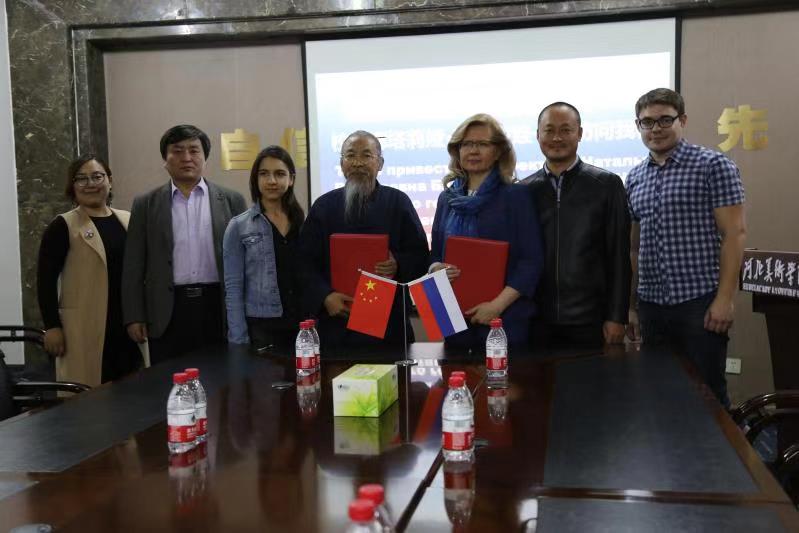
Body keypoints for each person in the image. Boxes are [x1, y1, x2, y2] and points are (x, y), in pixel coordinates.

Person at [626, 88, 746, 407]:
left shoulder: (713, 165)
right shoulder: (635, 177)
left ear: (683, 120)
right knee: (658, 394)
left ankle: (719, 444)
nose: (656, 128)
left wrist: (724, 300)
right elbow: (634, 248)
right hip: (651, 305)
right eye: (647, 122)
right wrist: (632, 306)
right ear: (638, 126)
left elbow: (734, 234)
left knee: (707, 395)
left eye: (665, 119)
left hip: (700, 303)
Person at [122, 125, 247, 364]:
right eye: (177, 151)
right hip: (167, 310)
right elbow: (133, 264)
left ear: (205, 157)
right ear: (165, 159)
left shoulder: (232, 200)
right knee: (168, 380)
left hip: (217, 306)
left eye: (194, 150)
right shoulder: (145, 204)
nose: (186, 157)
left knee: (222, 377)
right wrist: (134, 316)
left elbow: (245, 261)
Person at [298, 130, 429, 350]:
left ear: (380, 163)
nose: (358, 163)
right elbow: (304, 263)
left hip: (389, 327)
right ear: (341, 163)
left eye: (366, 155)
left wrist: (397, 263)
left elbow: (420, 256)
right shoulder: (323, 206)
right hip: (336, 324)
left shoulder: (398, 202)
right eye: (350, 155)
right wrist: (325, 297)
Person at [521, 102, 631, 349]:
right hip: (536, 320)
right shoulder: (523, 190)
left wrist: (617, 316)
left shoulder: (606, 184)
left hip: (591, 319)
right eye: (549, 130)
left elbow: (619, 256)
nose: (557, 138)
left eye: (566, 130)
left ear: (579, 133)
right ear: (537, 135)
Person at [430, 113, 543, 348]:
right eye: (466, 144)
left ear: (498, 151)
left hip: (503, 317)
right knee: (455, 371)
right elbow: (436, 254)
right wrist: (436, 268)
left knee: (501, 373)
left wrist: (496, 306)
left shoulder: (516, 196)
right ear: (457, 150)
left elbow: (531, 261)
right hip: (452, 316)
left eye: (482, 144)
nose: (473, 150)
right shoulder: (446, 199)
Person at [36, 154, 142, 385]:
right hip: (83, 326)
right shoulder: (63, 225)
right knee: (89, 395)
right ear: (72, 186)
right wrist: (52, 326)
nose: (90, 184)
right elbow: (45, 280)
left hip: (127, 326)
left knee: (132, 392)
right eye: (81, 178)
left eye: (97, 176)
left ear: (109, 180)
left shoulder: (128, 220)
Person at [223, 146, 305, 349]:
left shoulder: (303, 223)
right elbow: (233, 288)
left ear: (291, 179)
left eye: (280, 174)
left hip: (303, 323)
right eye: (264, 174)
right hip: (262, 327)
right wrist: (238, 339)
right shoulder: (239, 226)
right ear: (256, 179)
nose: (272, 181)